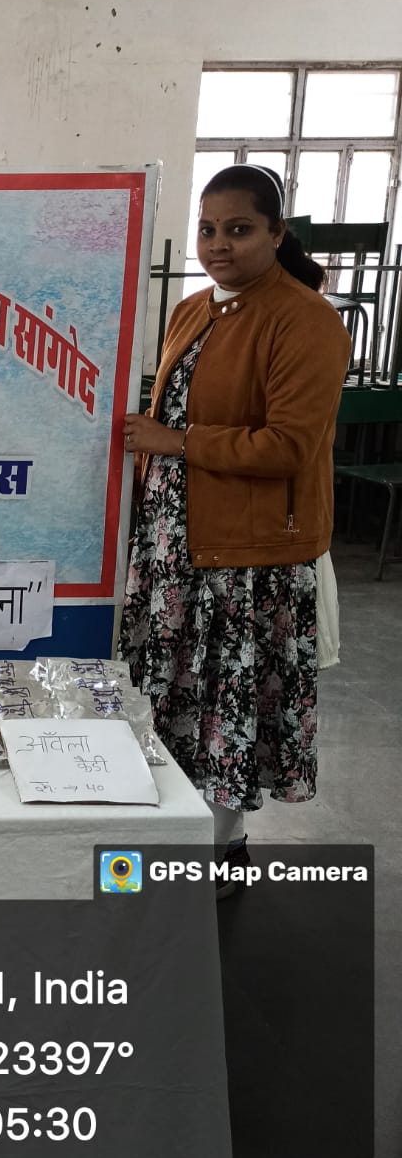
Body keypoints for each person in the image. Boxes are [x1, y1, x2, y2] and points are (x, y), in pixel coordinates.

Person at [120, 164, 348, 892]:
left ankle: (223, 849)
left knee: (224, 703)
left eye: (240, 229)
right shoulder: (193, 310)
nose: (219, 244)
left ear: (277, 234)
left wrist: (174, 441)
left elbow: (289, 446)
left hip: (245, 560)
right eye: (208, 229)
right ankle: (167, 833)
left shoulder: (305, 319)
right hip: (175, 546)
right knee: (173, 694)